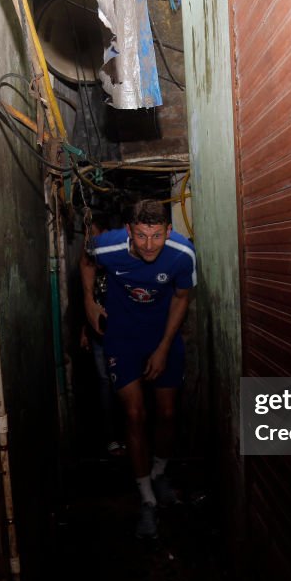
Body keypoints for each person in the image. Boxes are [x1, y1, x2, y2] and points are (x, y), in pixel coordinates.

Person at [80, 198, 196, 538]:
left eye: (157, 236)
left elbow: (182, 298)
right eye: (142, 236)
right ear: (130, 231)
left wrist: (162, 348)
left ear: (168, 231)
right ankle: (145, 495)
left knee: (168, 413)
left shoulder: (183, 253)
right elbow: (86, 260)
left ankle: (159, 473)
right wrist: (88, 301)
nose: (149, 245)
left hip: (164, 337)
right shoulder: (108, 245)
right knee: (134, 415)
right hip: (122, 339)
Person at [78, 212, 125, 457]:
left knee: (126, 381)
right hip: (100, 331)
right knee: (105, 382)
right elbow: (88, 299)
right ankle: (111, 438)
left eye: (93, 235)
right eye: (87, 236)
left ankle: (130, 434)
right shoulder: (90, 263)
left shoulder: (123, 257)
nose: (90, 241)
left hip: (125, 331)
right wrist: (85, 328)